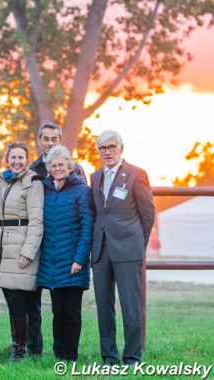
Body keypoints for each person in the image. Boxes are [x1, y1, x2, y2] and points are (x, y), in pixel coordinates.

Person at [90, 130, 155, 365]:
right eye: (102, 148)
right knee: (104, 308)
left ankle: (132, 357)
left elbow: (148, 215)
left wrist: (138, 244)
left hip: (128, 249)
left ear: (121, 148)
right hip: (100, 251)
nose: (107, 152)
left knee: (131, 307)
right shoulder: (95, 176)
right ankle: (109, 356)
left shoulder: (137, 174)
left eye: (111, 147)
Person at [37, 145, 94, 362]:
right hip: (51, 261)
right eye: (54, 165)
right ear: (49, 168)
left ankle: (70, 355)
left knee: (71, 312)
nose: (58, 168)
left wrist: (79, 259)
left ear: (69, 166)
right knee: (57, 311)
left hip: (72, 261)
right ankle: (59, 354)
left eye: (62, 164)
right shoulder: (46, 190)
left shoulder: (81, 191)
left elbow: (87, 227)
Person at [0, 142, 44, 362]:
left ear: (27, 159)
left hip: (22, 247)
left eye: (21, 157)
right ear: (7, 159)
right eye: (13, 157)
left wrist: (28, 251)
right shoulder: (2, 182)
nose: (16, 161)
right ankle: (23, 347)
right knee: (14, 302)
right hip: (3, 247)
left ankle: (20, 350)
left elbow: (37, 220)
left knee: (20, 302)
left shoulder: (32, 182)